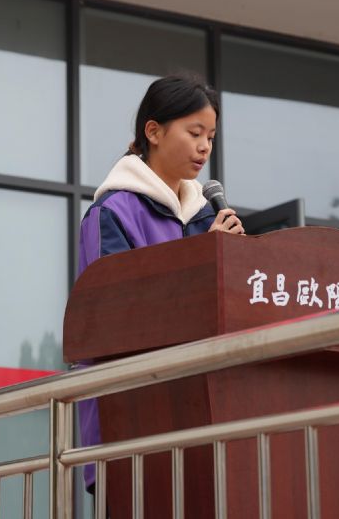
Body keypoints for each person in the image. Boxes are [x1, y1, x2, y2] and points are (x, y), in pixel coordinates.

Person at [75, 74, 244, 494]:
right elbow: (115, 317)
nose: (205, 147)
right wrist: (201, 259)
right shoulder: (113, 213)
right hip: (131, 421)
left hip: (203, 415)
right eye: (194, 133)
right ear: (153, 131)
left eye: (211, 137)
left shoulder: (206, 216)